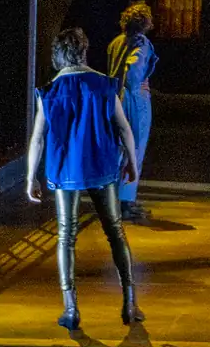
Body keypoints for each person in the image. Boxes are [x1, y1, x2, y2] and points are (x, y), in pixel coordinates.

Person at [26, 28, 143, 330]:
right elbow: (124, 128)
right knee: (115, 232)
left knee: (66, 236)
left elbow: (38, 137)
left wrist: (30, 177)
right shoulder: (104, 85)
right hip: (103, 167)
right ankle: (129, 302)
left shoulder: (50, 91)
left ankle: (71, 308)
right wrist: (132, 163)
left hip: (65, 171)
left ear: (58, 55)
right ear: (83, 51)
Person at [106, 2, 160, 223]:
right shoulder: (141, 44)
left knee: (119, 151)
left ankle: (117, 201)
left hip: (114, 100)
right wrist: (138, 85)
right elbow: (133, 75)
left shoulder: (116, 42)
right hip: (134, 102)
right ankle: (126, 203)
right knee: (133, 149)